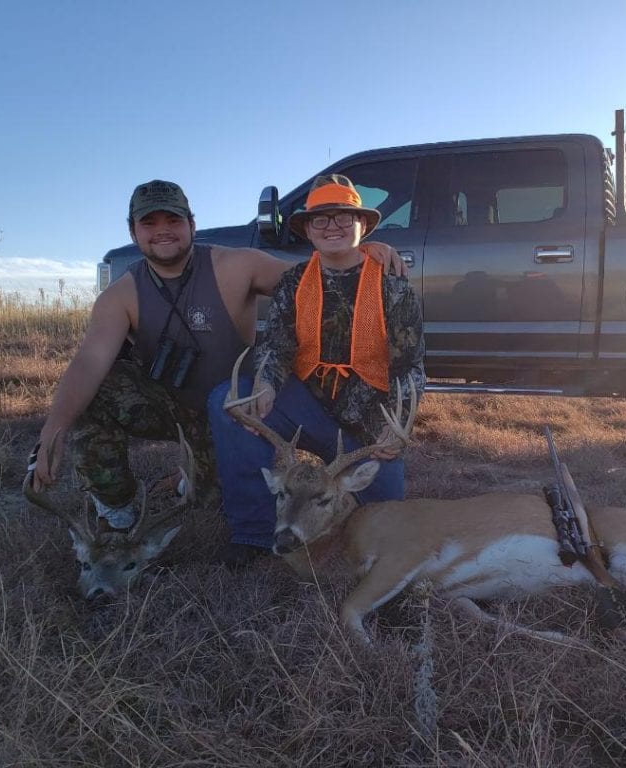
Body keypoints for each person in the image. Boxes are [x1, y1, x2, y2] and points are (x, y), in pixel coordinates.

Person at [30, 179, 404, 545]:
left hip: (235, 414)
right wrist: (53, 430)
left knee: (211, 501)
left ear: (192, 224)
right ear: (133, 231)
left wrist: (360, 252)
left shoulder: (236, 265)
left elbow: (314, 281)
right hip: (171, 406)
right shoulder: (120, 295)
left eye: (173, 221)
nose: (163, 232)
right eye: (149, 223)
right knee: (94, 392)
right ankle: (118, 509)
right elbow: (89, 361)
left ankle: (194, 475)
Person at [208, 174, 426, 568]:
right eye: (321, 219)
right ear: (307, 229)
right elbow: (276, 344)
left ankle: (329, 515)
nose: (333, 226)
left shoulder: (394, 286)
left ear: (363, 226)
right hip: (306, 407)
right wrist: (267, 385)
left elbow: (409, 366)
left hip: (366, 423)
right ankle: (255, 531)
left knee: (385, 512)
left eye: (345, 217)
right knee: (228, 402)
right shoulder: (294, 282)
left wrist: (393, 430)